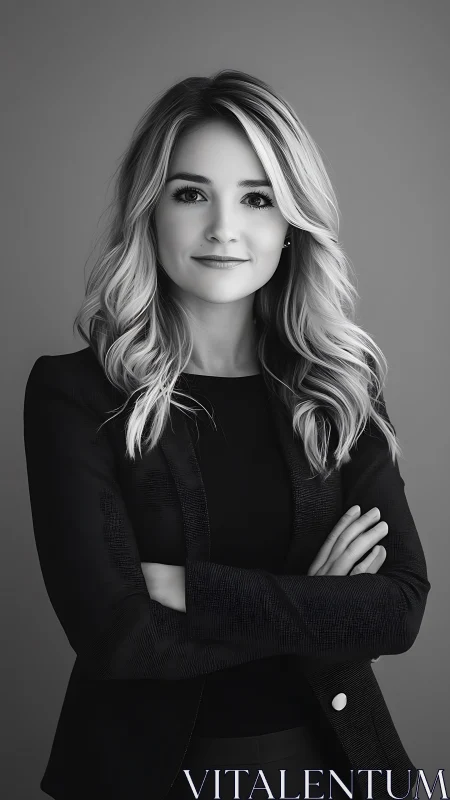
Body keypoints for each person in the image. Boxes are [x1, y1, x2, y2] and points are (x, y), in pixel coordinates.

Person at [23, 69, 430, 800]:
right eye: (190, 194)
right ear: (150, 210)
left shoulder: (341, 385)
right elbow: (116, 635)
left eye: (257, 198)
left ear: (291, 221)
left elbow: (397, 609)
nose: (223, 228)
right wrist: (315, 605)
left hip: (330, 771)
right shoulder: (74, 394)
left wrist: (187, 589)